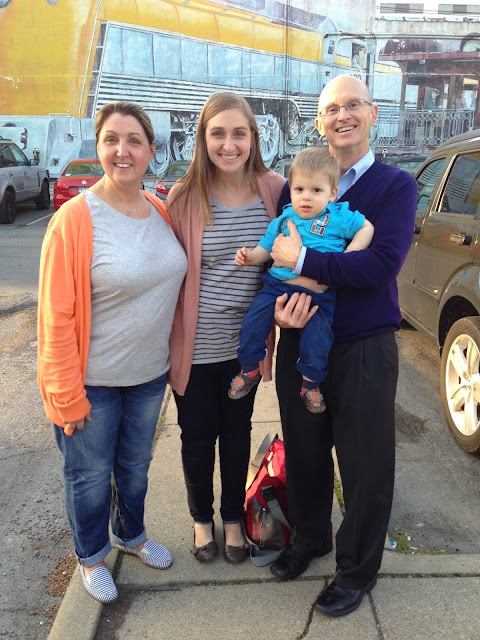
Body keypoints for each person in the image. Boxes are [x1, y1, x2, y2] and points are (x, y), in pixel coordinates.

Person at [269, 76, 417, 617]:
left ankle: (355, 570)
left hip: (364, 347)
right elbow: (275, 257)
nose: (343, 115)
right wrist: (281, 309)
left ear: (373, 114)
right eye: (332, 108)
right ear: (319, 122)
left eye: (354, 105)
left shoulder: (395, 186)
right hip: (301, 341)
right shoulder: (298, 185)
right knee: (305, 453)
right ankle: (310, 539)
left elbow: (380, 266)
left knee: (365, 464)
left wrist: (305, 263)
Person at [38, 101, 187, 603]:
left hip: (148, 376)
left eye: (134, 141)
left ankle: (131, 535)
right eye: (111, 140)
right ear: (99, 147)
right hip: (93, 382)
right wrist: (65, 395)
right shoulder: (74, 220)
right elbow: (55, 316)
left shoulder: (159, 209)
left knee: (135, 469)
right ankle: (92, 556)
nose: (122, 151)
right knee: (89, 477)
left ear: (150, 150)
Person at [166, 92, 285, 564]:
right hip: (195, 347)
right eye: (218, 134)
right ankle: (202, 520)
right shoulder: (184, 196)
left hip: (245, 349)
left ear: (254, 137)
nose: (229, 144)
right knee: (197, 439)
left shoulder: (274, 190)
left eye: (239, 133)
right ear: (203, 138)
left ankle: (233, 519)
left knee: (237, 435)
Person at [229, 147, 373, 414]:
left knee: (318, 340)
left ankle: (310, 385)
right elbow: (266, 248)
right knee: (252, 322)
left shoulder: (338, 216)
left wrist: (348, 257)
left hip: (320, 295)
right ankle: (249, 369)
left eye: (316, 190)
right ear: (291, 190)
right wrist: (250, 257)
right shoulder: (284, 219)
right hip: (277, 287)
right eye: (299, 189)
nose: (306, 197)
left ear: (332, 193)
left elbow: (367, 228)